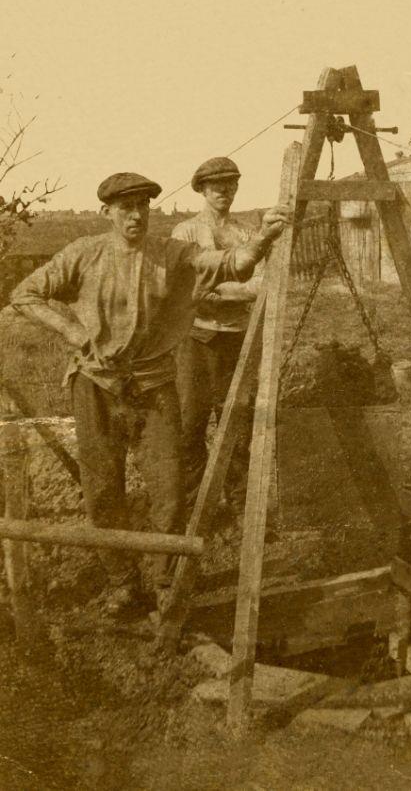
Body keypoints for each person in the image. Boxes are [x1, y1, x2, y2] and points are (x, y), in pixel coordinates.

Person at [11, 172, 289, 616]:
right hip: (96, 384)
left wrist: (265, 239)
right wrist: (72, 330)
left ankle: (163, 580)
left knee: (169, 488)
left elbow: (231, 264)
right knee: (103, 489)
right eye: (125, 208)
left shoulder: (171, 252)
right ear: (107, 213)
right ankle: (122, 582)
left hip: (154, 384)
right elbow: (25, 293)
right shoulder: (84, 253)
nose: (135, 215)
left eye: (142, 206)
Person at [171, 157, 261, 504]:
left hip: (238, 337)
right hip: (196, 338)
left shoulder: (245, 233)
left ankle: (239, 500)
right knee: (191, 422)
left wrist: (217, 291)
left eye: (230, 184)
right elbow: (188, 288)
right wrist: (231, 290)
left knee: (237, 421)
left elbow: (259, 286)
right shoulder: (186, 232)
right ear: (202, 190)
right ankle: (197, 504)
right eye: (216, 185)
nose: (224, 191)